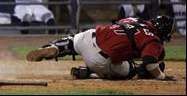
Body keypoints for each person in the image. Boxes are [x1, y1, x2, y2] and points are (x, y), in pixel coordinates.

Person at [26, 15, 176, 81]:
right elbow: (149, 61)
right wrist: (162, 77)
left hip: (90, 35)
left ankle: (54, 47)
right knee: (130, 69)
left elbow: (123, 30)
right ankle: (89, 73)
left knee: (71, 42)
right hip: (100, 59)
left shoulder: (134, 20)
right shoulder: (153, 40)